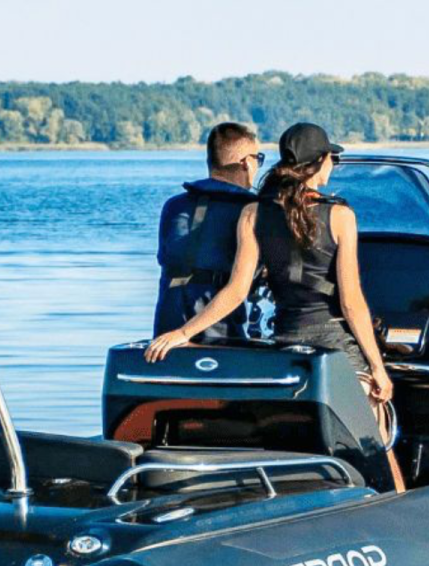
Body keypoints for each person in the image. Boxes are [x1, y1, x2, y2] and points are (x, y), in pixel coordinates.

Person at [146, 122, 404, 491]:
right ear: (318, 163)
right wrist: (378, 369)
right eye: (332, 158)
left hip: (286, 346)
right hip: (337, 347)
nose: (333, 166)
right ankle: (398, 510)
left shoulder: (252, 213)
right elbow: (351, 303)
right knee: (378, 448)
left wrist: (182, 333)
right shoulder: (341, 216)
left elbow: (235, 291)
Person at [152, 121, 265, 341]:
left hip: (167, 322)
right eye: (257, 159)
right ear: (246, 163)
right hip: (217, 324)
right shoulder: (249, 210)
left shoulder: (173, 206)